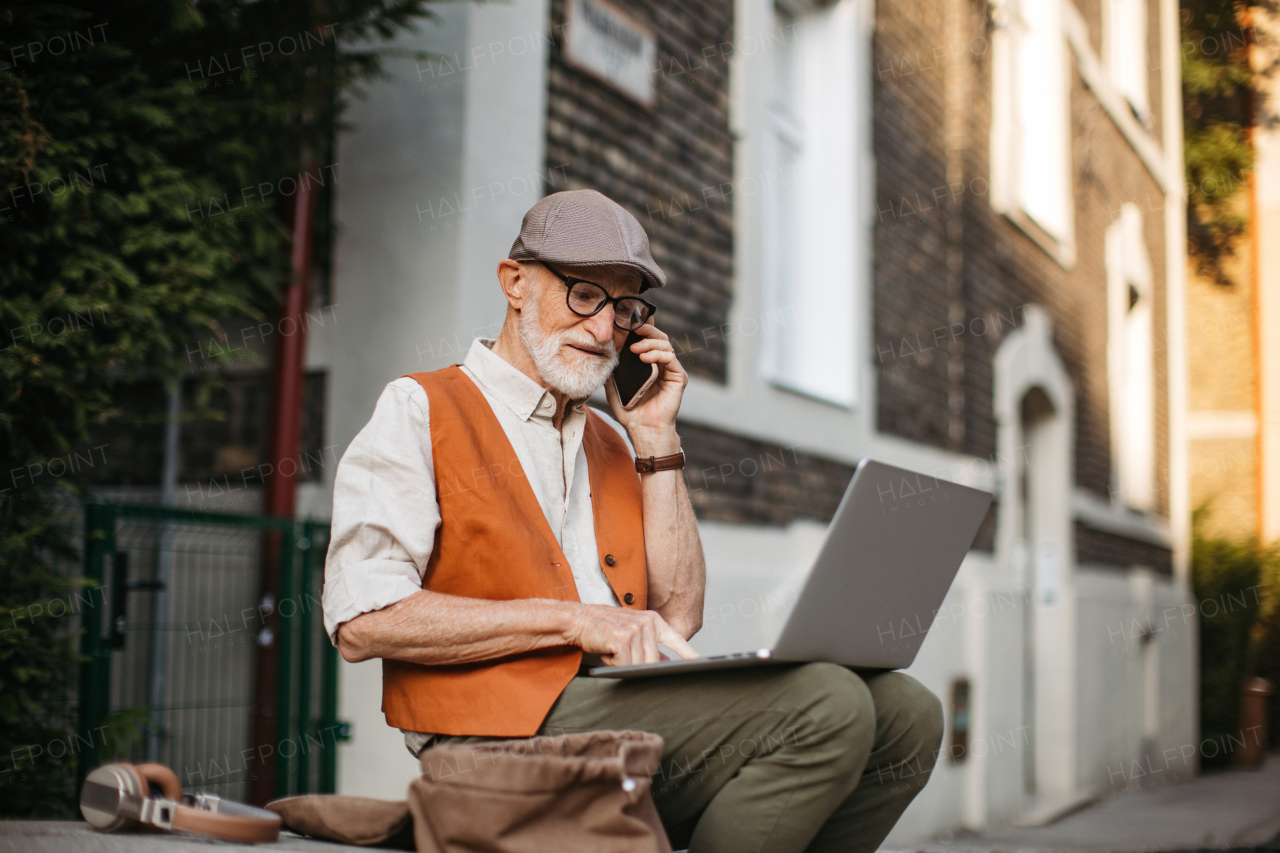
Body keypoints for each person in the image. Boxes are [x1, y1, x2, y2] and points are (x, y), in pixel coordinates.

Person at [322, 189, 943, 853]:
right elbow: (364, 620)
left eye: (624, 310)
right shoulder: (421, 406)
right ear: (515, 282)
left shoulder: (615, 441)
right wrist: (577, 619)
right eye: (584, 294)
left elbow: (677, 619)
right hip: (495, 743)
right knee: (825, 702)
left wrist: (654, 436)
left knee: (909, 715)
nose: (602, 329)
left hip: (616, 709)